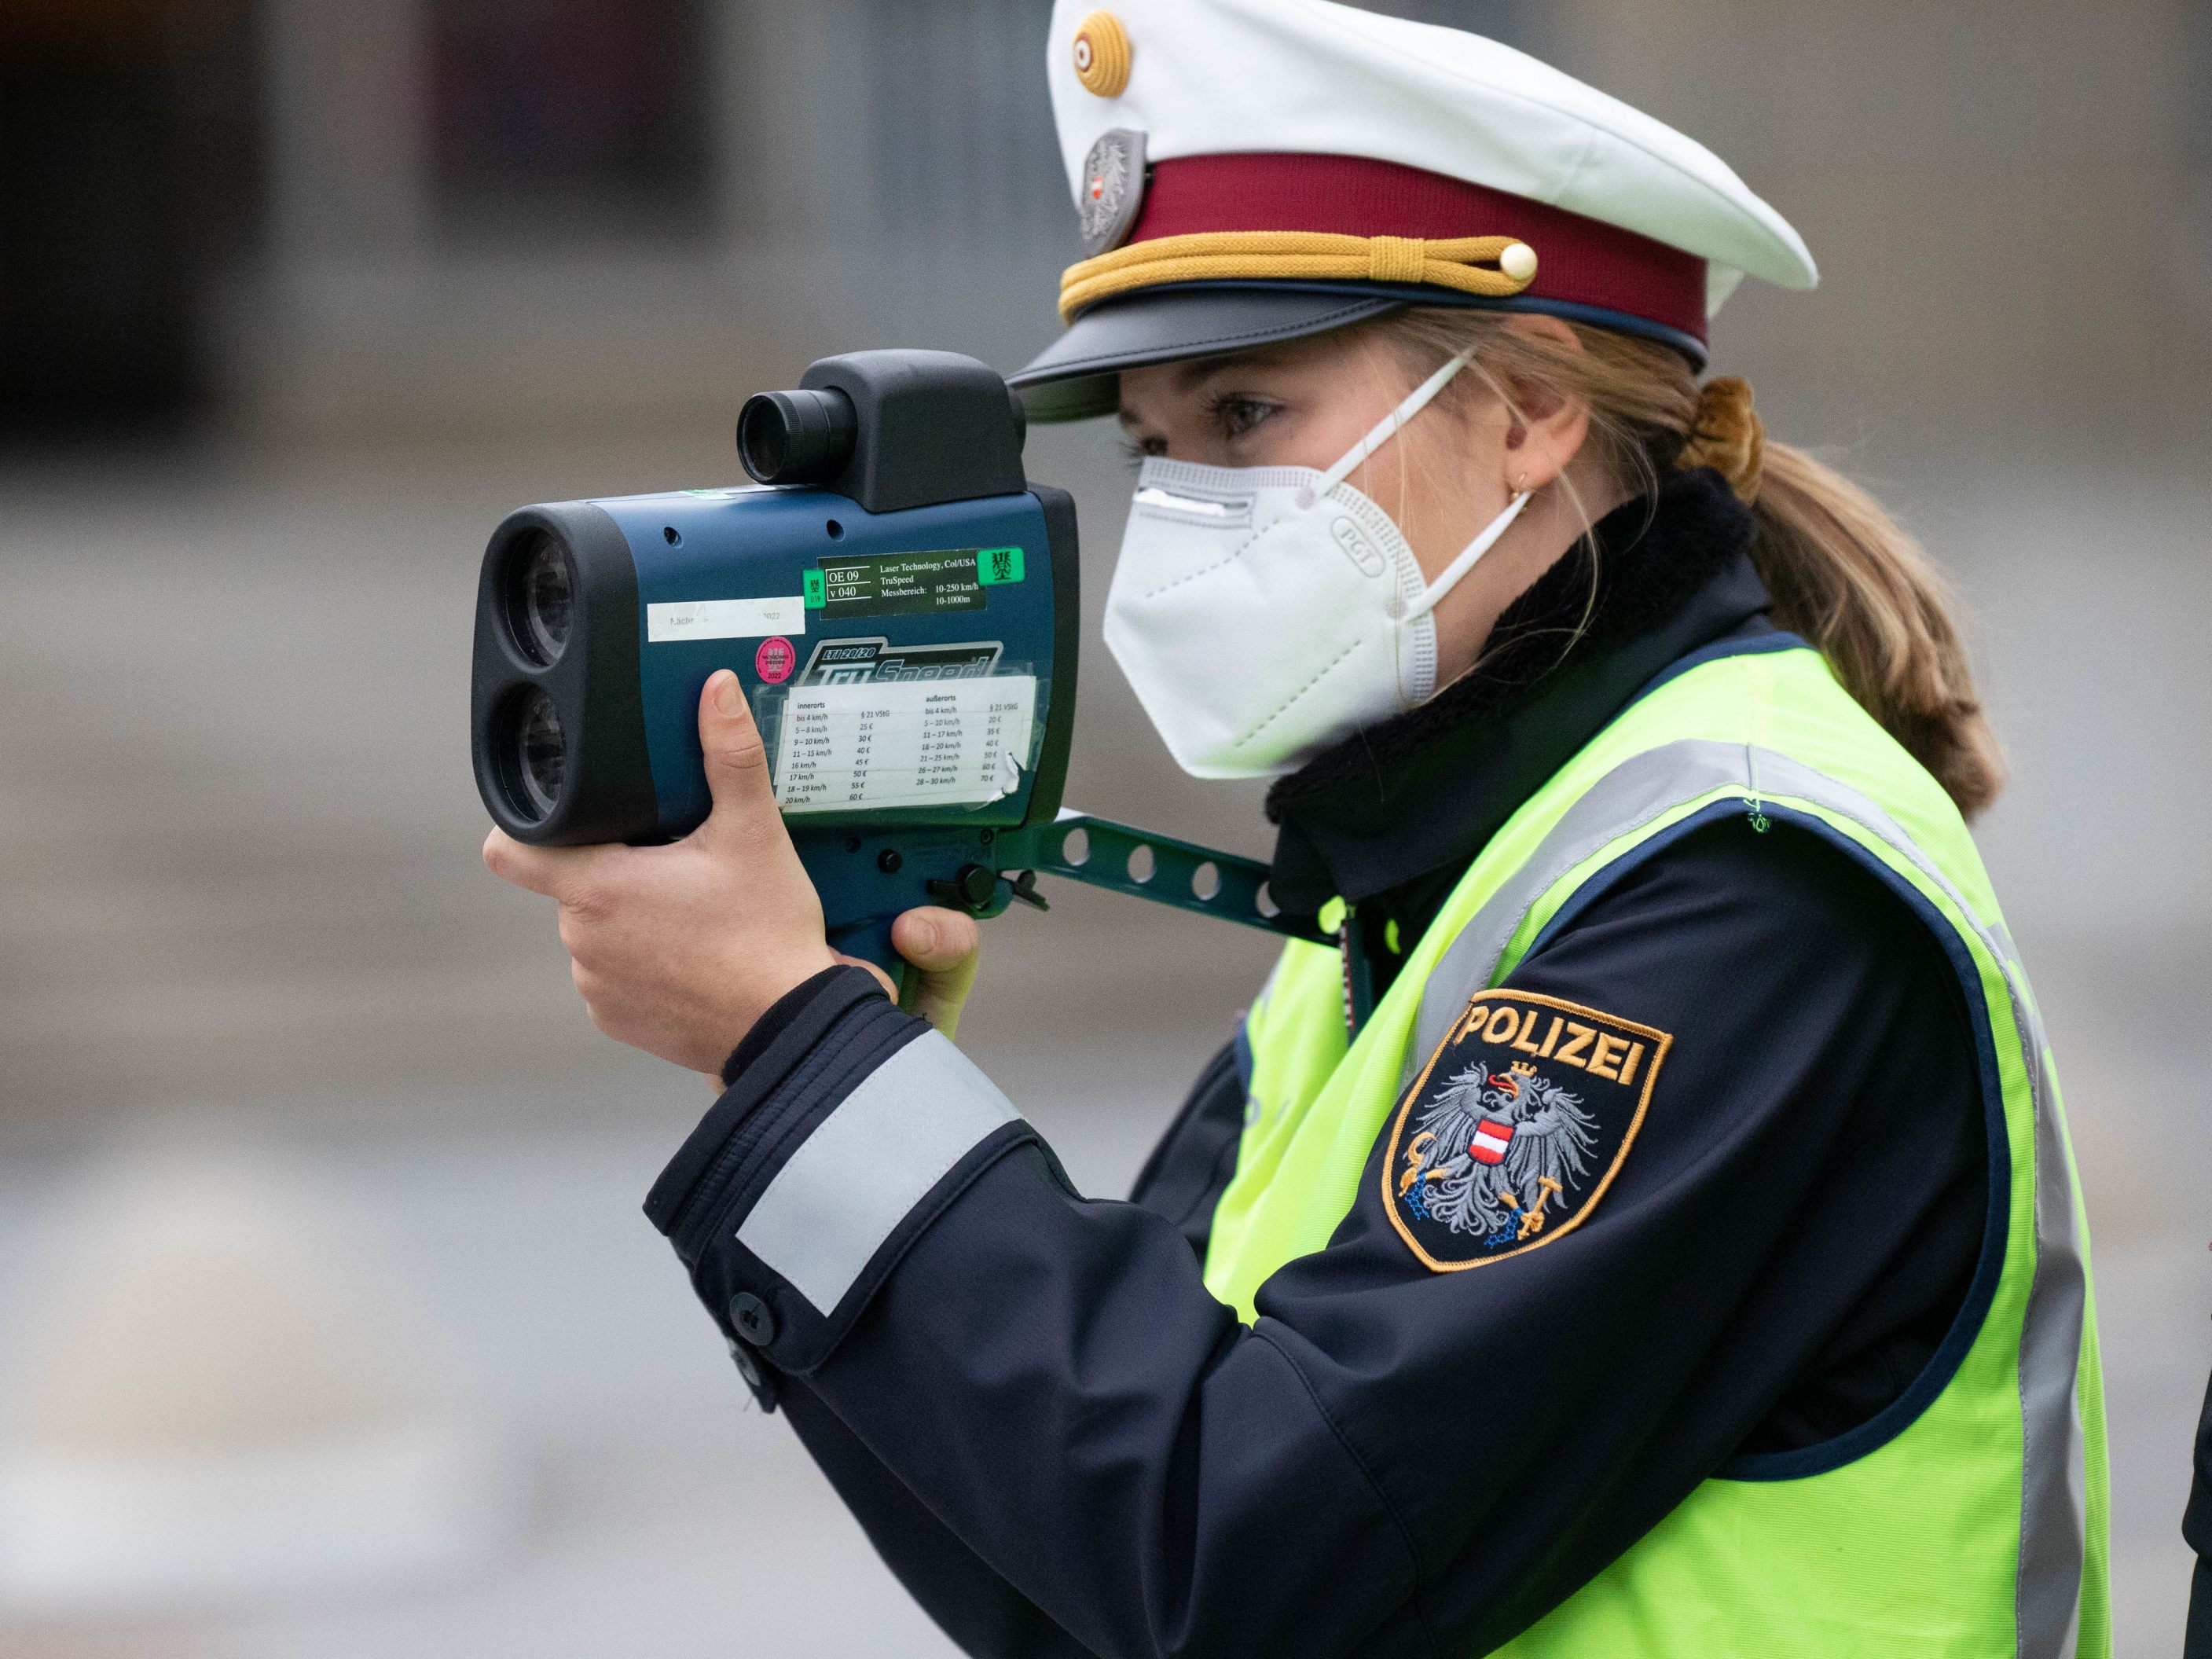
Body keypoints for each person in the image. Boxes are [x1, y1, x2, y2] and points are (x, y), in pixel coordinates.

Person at [483, 2, 2109, 1653]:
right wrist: (809, 1073)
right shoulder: (1423, 892)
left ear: (1526, 412)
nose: (1186, 506)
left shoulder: (1738, 888)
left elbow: (1254, 1562)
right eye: (1156, 449)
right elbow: (1085, 1582)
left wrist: (803, 1058)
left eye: (1247, 417)